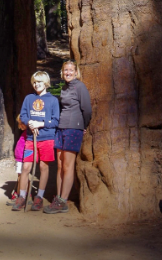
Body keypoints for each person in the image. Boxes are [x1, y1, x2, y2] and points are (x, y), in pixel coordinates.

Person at [45, 60, 92, 214]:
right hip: (61, 128)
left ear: (76, 72)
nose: (68, 72)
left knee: (67, 165)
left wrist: (83, 126)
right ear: (62, 72)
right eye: (66, 70)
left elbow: (87, 109)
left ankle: (62, 201)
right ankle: (58, 198)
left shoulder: (80, 87)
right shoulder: (64, 88)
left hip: (73, 128)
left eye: (71, 70)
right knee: (59, 165)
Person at [12, 71, 59, 211]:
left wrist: (40, 124)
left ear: (46, 83)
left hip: (47, 138)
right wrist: (30, 122)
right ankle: (21, 196)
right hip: (30, 139)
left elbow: (56, 120)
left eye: (39, 82)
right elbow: (24, 115)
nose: (36, 84)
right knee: (26, 167)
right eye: (34, 82)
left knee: (44, 167)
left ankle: (39, 197)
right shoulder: (29, 98)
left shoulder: (53, 100)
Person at [6, 115, 29, 206]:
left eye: (21, 123)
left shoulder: (29, 134)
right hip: (19, 158)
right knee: (21, 176)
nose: (20, 125)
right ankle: (22, 193)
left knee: (21, 176)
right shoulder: (25, 133)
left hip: (22, 158)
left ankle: (20, 195)